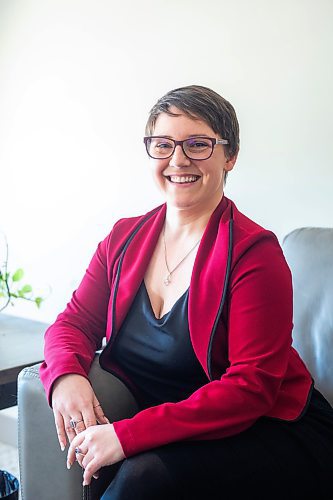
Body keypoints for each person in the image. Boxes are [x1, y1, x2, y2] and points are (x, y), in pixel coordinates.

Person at [40, 85, 333, 500]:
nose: (178, 159)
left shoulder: (254, 253)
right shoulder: (122, 239)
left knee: (140, 481)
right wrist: (66, 376)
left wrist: (126, 435)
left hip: (270, 430)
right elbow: (73, 322)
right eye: (163, 145)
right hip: (178, 427)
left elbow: (251, 387)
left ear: (229, 156)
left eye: (198, 144)